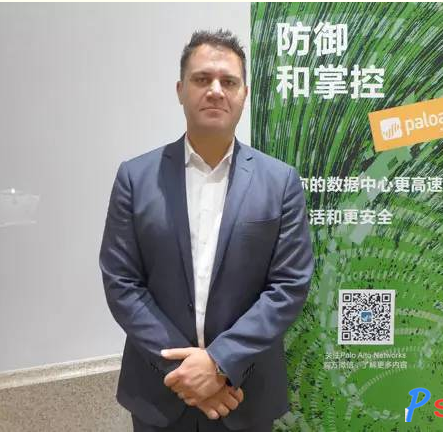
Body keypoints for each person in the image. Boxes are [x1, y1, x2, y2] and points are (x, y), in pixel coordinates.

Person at [99, 29, 314, 432]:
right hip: (159, 393)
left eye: (228, 81)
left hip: (244, 394)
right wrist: (186, 372)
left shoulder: (280, 181)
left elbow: (289, 285)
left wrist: (219, 363)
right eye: (202, 79)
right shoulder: (136, 178)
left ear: (244, 94)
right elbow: (121, 282)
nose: (215, 90)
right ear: (180, 90)